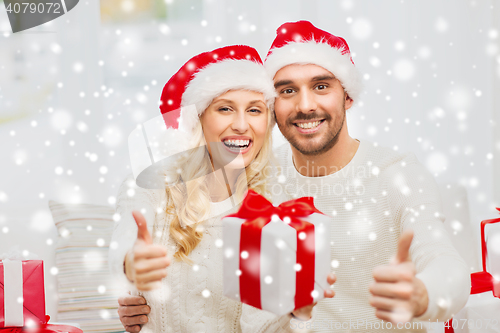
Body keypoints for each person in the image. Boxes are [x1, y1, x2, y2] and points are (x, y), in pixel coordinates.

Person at [117, 21, 471, 333]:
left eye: (321, 86)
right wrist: (145, 301)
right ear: (272, 107)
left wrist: (424, 295)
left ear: (347, 96)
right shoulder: (254, 173)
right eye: (287, 90)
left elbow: (444, 262)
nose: (304, 106)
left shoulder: (396, 173)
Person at [109, 44, 335, 333]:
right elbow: (124, 245)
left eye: (254, 110)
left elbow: (264, 328)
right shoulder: (148, 187)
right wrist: (130, 265)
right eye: (225, 108)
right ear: (199, 119)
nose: (241, 125)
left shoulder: (278, 205)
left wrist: (299, 316)